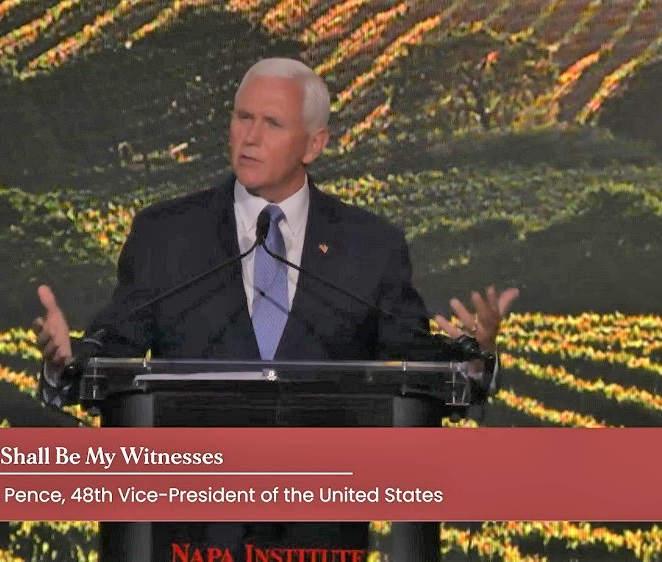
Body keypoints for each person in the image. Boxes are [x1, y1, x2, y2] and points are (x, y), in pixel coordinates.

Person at [33, 58, 518, 560]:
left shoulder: (369, 246)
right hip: (190, 535)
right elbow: (114, 346)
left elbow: (416, 359)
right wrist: (66, 361)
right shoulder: (166, 234)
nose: (250, 137)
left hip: (320, 537)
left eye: (272, 123)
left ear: (314, 143)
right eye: (243, 117)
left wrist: (472, 357)